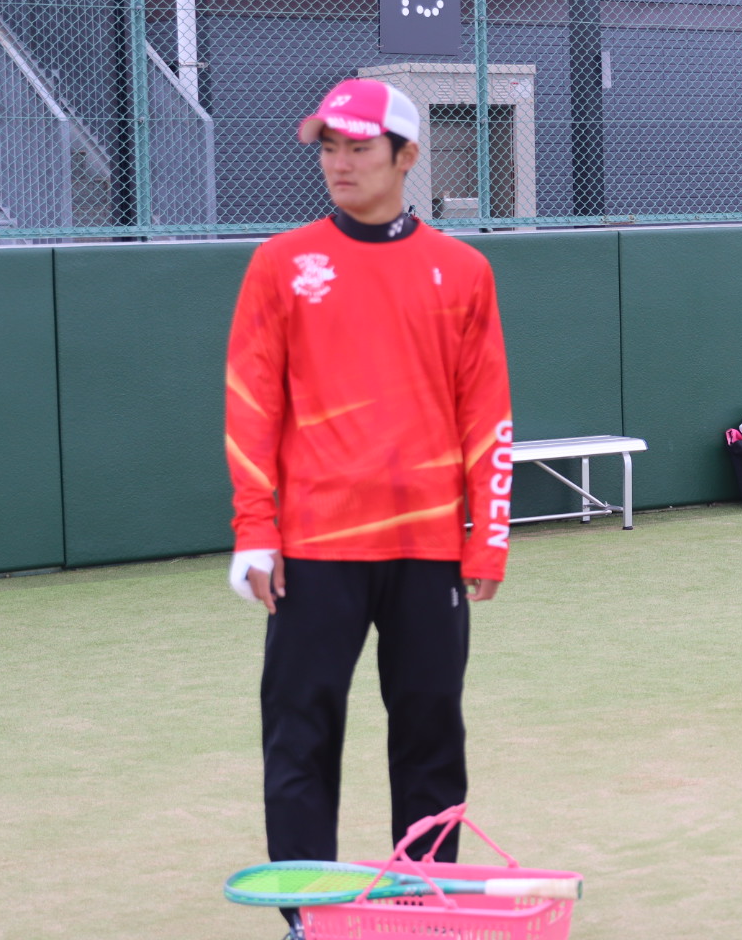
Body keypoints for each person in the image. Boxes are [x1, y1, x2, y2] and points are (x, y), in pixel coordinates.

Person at [223, 78, 513, 938]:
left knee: (430, 736)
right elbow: (251, 403)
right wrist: (254, 530)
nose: (339, 163)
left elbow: (485, 410)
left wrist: (488, 538)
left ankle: (425, 906)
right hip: (315, 549)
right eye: (328, 147)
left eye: (358, 147)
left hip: (429, 549)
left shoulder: (463, 270)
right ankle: (307, 915)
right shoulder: (281, 262)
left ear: (406, 155)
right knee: (300, 735)